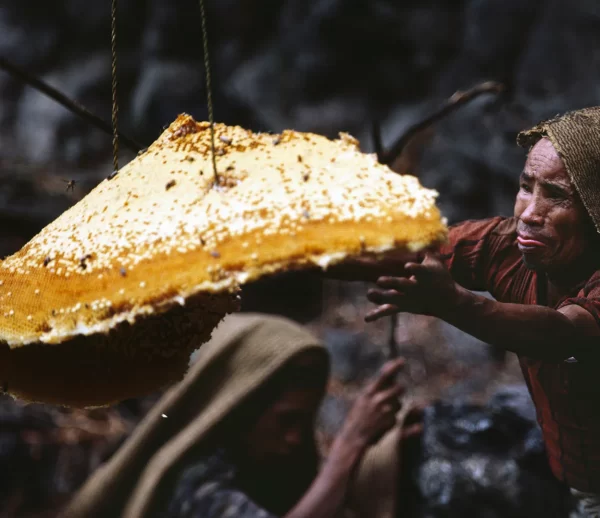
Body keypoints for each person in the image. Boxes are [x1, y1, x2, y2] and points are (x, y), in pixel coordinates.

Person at [334, 106, 600, 515]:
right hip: (575, 471)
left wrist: (455, 303)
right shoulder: (509, 246)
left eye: (557, 195)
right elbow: (407, 253)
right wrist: (272, 253)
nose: (529, 212)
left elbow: (562, 332)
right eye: (526, 186)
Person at [63, 313, 421, 518]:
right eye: (285, 421)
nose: (296, 438)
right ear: (239, 410)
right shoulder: (196, 480)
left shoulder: (261, 463)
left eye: (305, 421)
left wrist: (378, 451)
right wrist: (351, 443)